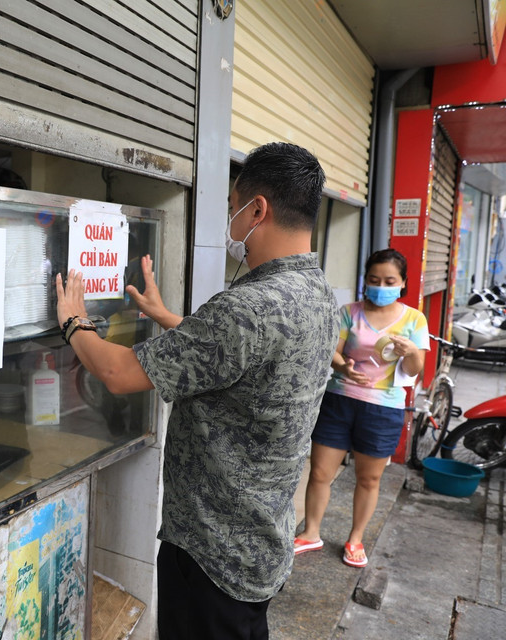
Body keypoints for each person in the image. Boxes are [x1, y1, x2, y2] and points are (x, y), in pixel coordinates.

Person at [55, 142, 338, 639]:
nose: (230, 221)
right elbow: (245, 358)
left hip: (211, 554)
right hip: (260, 545)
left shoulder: (247, 306)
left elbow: (119, 374)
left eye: (233, 209)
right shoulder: (317, 292)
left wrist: (74, 322)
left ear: (258, 209)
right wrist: (167, 318)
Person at [295, 248, 428, 568]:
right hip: (339, 401)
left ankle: (355, 539)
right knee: (321, 472)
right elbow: (333, 351)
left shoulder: (414, 318)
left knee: (368, 479)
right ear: (365, 280)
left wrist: (410, 349)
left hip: (383, 409)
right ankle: (311, 531)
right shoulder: (349, 312)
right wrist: (342, 368)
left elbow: (415, 369)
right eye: (374, 279)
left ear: (403, 283)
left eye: (389, 280)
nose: (381, 286)